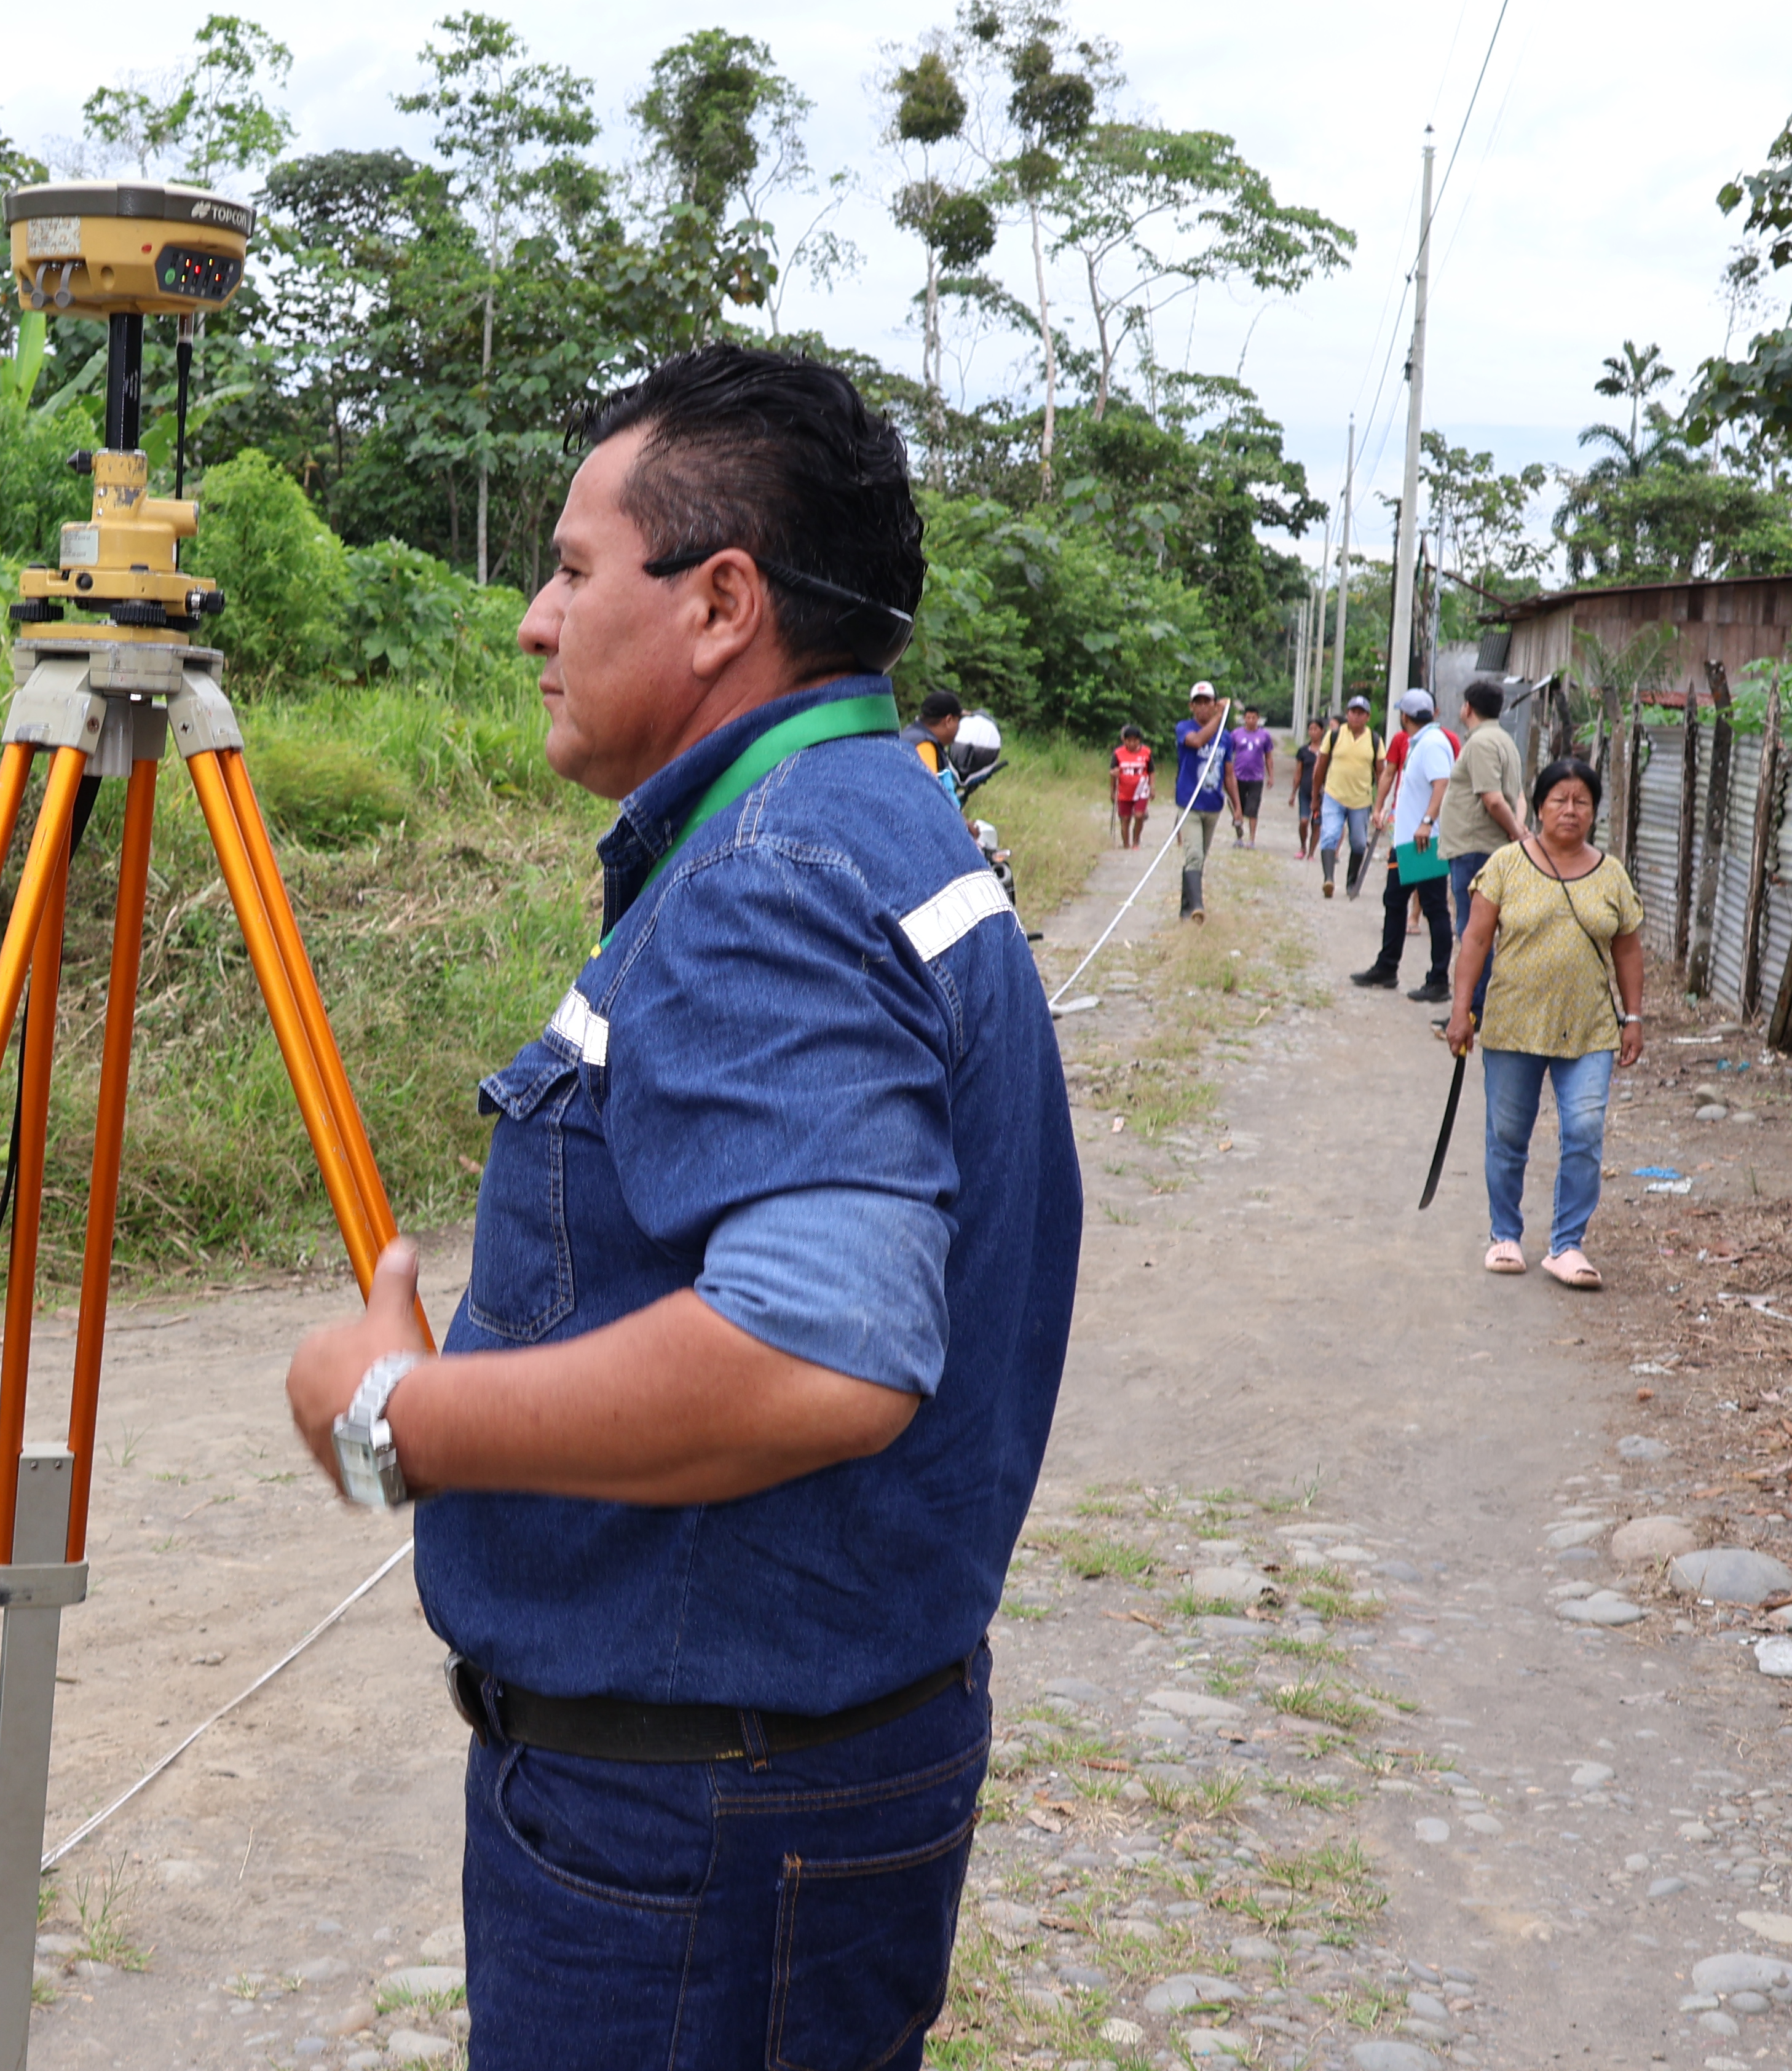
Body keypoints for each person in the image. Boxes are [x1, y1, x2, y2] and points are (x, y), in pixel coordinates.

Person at [280, 343, 1080, 2069]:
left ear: (720, 603)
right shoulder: (891, 825)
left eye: (574, 572)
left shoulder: (771, 879)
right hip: (804, 1783)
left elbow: (816, 1349)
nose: (534, 624)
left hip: (692, 1839)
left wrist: (397, 1412)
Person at [1442, 756, 1648, 1291]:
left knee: (1584, 1131)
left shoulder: (1611, 873)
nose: (1571, 810)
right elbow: (1475, 941)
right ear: (1538, 807)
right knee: (1508, 1132)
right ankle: (1505, 1234)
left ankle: (1567, 1244)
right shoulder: (1506, 865)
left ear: (1595, 811)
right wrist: (1461, 1010)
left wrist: (1633, 1017)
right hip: (1514, 1023)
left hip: (1589, 1028)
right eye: (1560, 800)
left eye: (1582, 801)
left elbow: (1628, 950)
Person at [1356, 687, 1459, 1001]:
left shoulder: (1432, 744)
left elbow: (1443, 784)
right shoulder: (1419, 743)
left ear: (1404, 716)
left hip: (1424, 841)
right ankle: (1387, 966)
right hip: (1406, 842)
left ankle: (1439, 980)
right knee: (1394, 901)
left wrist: (1427, 822)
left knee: (1435, 909)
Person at [1440, 678, 1530, 980]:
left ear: (1468, 708)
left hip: (1475, 848)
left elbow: (1493, 799)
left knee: (1473, 931)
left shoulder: (1481, 744)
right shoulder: (1506, 741)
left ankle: (1476, 1002)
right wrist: (1518, 828)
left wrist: (1517, 832)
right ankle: (1481, 998)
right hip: (1486, 847)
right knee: (1482, 929)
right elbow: (1518, 796)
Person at [1169, 681, 1228, 921]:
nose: (1203, 707)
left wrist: (1237, 807)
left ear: (1214, 704)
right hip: (1189, 804)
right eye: (1199, 703)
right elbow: (1197, 742)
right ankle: (1198, 907)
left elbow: (1229, 773)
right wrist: (1220, 717)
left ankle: (1186, 909)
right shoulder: (1184, 728)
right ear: (1191, 706)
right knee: (1194, 855)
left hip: (1212, 805)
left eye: (1208, 702)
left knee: (1199, 858)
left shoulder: (1226, 737)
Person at [1314, 695, 1384, 899]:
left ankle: (1352, 882)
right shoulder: (1335, 735)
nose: (1356, 717)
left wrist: (1379, 805)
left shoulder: (1374, 740)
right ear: (1347, 714)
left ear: (1368, 717)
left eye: (1361, 713)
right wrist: (1315, 795)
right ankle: (1329, 879)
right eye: (1353, 712)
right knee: (1330, 835)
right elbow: (1321, 766)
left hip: (1361, 800)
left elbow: (1382, 773)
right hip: (1334, 795)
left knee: (1359, 843)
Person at [903, 689, 965, 809]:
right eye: (958, 721)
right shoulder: (925, 745)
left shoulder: (911, 734)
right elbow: (928, 797)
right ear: (949, 720)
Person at [1223, 703, 1275, 845]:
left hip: (1256, 777)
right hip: (1238, 776)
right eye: (1248, 718)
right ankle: (1239, 836)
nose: (1251, 720)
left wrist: (1271, 776)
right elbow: (1229, 755)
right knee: (1237, 806)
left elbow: (1268, 756)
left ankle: (1252, 839)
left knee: (1253, 809)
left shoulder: (1264, 736)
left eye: (1254, 718)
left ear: (1258, 719)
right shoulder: (1236, 734)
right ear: (1244, 719)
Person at [1110, 723, 1155, 848]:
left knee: (1139, 816)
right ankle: (1126, 844)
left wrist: (1152, 787)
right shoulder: (1118, 753)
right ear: (1124, 741)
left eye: (1135, 741)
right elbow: (1112, 773)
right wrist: (1113, 791)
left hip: (1141, 789)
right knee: (1125, 819)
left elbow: (1151, 771)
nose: (1131, 744)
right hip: (1124, 791)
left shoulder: (1146, 752)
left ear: (1139, 741)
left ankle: (1136, 841)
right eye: (1128, 741)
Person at [1292, 715, 1327, 860]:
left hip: (1321, 793)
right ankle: (1303, 846)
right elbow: (1298, 773)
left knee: (1317, 823)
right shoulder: (1303, 751)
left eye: (1316, 729)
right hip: (1305, 791)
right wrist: (1293, 793)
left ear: (1322, 731)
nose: (1313, 732)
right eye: (1311, 729)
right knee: (1304, 821)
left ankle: (1312, 852)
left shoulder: (1326, 751)